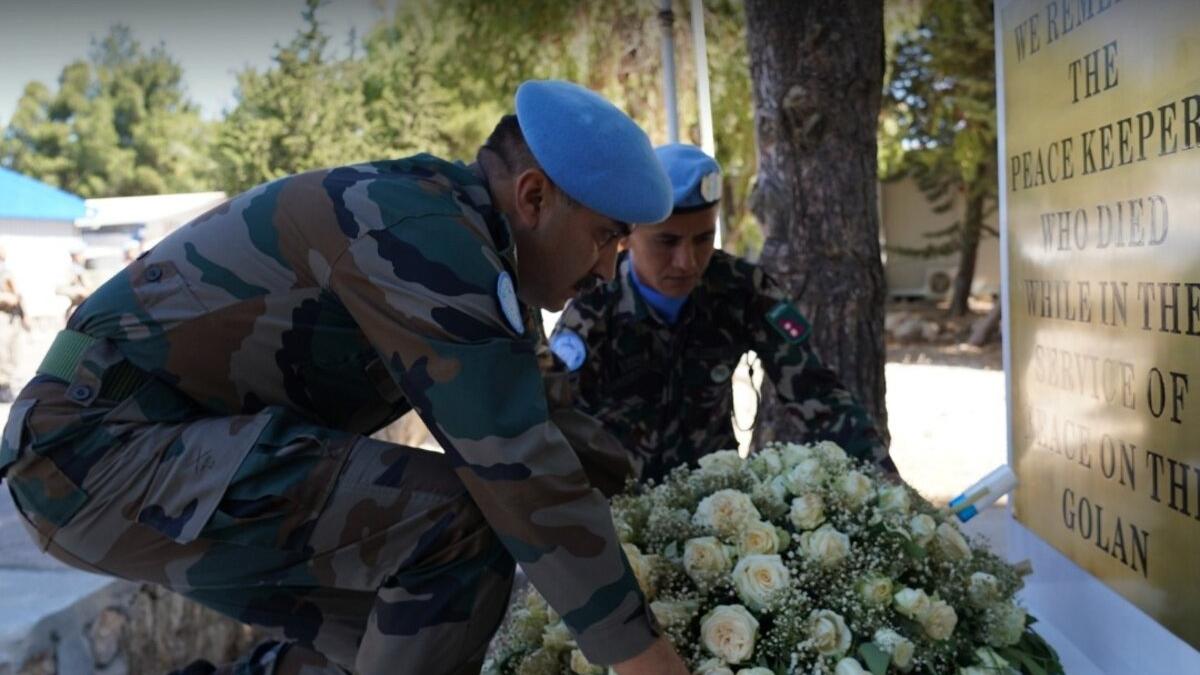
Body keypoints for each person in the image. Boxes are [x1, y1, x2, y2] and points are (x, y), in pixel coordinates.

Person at [0, 81, 689, 675]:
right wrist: (642, 652)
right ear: (534, 196)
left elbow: (547, 423)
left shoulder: (475, 253)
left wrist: (666, 524)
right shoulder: (421, 236)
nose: (607, 270)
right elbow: (516, 464)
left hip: (131, 448)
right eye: (606, 237)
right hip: (94, 447)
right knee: (455, 529)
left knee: (406, 630)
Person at [550, 144, 895, 482]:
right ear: (629, 234)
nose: (687, 262)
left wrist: (886, 481)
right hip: (616, 505)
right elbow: (557, 417)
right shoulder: (594, 302)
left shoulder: (741, 290)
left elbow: (818, 394)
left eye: (703, 239)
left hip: (714, 505)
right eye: (667, 242)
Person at [0, 245, 30, 403]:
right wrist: (4, 298)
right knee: (2, 354)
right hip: (2, 317)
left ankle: (8, 384)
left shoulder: (7, 271)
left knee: (14, 353)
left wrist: (25, 315)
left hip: (14, 317)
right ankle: (3, 387)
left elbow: (18, 295)